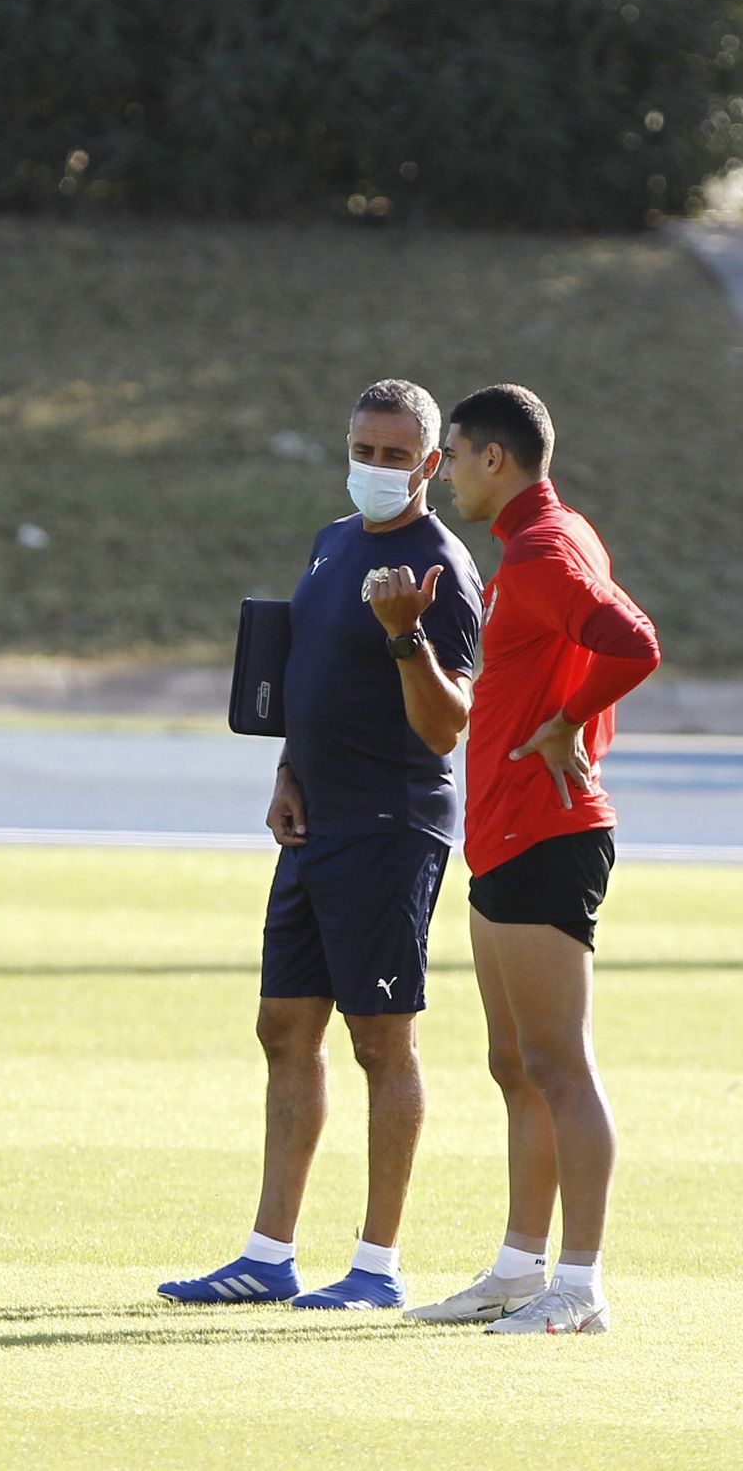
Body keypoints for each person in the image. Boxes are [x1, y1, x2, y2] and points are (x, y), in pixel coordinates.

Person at [158, 379, 483, 1311]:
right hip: (315, 820)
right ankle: (268, 1255)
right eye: (362, 450)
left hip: (391, 826)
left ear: (430, 463)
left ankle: (376, 1267)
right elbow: (309, 670)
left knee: (382, 1041)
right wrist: (288, 771)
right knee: (283, 1028)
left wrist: (405, 636)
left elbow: (445, 727)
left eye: (395, 456)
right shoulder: (332, 542)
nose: (375, 469)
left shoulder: (439, 569)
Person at [405, 383, 659, 1335]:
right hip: (507, 830)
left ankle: (581, 1285)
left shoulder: (547, 550)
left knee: (560, 1064)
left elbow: (635, 641)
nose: (449, 473)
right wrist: (564, 713)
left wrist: (563, 724)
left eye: (456, 455)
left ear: (494, 460)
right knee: (514, 1061)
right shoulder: (544, 538)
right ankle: (519, 1268)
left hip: (551, 831)